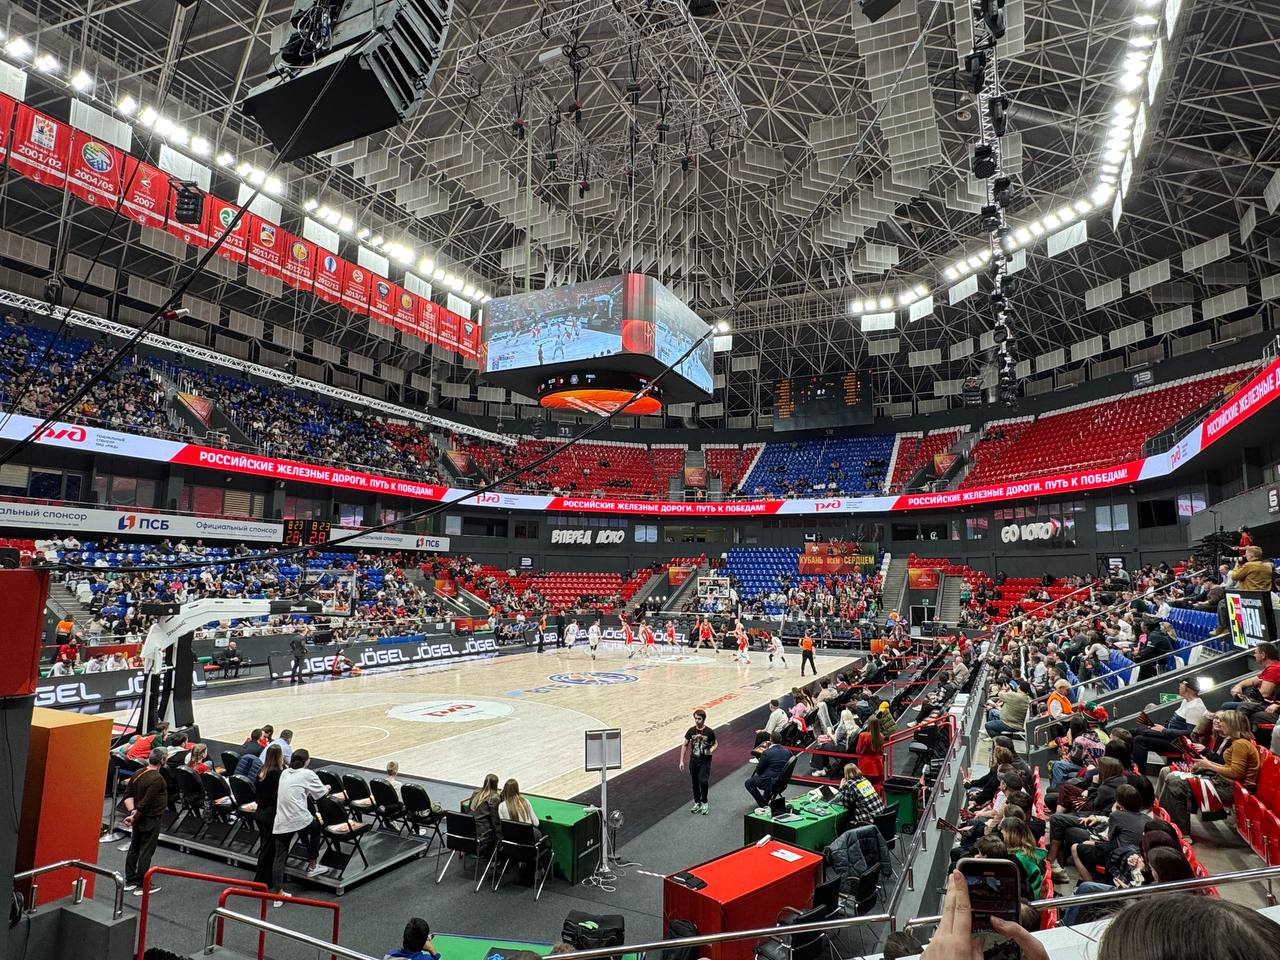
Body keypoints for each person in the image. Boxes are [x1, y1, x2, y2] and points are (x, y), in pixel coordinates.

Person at [1156, 709, 1260, 835]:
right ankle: (1166, 823)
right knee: (1173, 777)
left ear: (1232, 725)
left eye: (1223, 721)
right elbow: (1230, 768)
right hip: (1224, 782)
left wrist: (1209, 765)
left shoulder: (1241, 744)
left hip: (1230, 788)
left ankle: (1179, 832)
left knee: (1175, 782)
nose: (1220, 724)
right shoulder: (1238, 742)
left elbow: (1236, 773)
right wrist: (1206, 765)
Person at [272, 750, 330, 898]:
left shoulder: (284, 773)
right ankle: (313, 865)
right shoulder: (307, 774)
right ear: (306, 761)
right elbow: (320, 794)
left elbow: (297, 791)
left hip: (282, 820)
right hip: (298, 818)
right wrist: (327, 788)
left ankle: (277, 893)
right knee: (316, 829)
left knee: (279, 856)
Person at [1130, 678, 1207, 770]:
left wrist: (1164, 730)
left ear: (1188, 688)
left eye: (1181, 684)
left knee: (1139, 740)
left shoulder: (1195, 707)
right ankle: (1128, 767)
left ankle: (1138, 773)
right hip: (1171, 735)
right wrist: (1164, 728)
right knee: (1134, 732)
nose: (1179, 686)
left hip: (1179, 743)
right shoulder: (1185, 701)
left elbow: (1190, 734)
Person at [122, 748, 168, 894]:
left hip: (138, 818)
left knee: (134, 847)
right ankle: (142, 884)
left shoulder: (138, 773)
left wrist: (132, 812)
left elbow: (127, 795)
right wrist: (134, 815)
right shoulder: (157, 779)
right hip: (150, 818)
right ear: (162, 760)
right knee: (146, 850)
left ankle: (130, 879)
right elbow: (145, 802)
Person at [252, 744, 286, 889]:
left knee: (265, 847)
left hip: (260, 812)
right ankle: (261, 881)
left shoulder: (262, 770)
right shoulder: (277, 773)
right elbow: (278, 795)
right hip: (271, 814)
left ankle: (263, 878)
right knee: (268, 849)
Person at [679, 709, 717, 814]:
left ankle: (704, 802)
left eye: (699, 719)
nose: (697, 721)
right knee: (695, 782)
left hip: (705, 761)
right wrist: (681, 760)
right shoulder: (691, 731)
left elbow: (715, 743)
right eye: (695, 718)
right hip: (694, 760)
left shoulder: (709, 732)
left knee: (703, 781)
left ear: (703, 719)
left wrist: (710, 750)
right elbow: (685, 744)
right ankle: (697, 802)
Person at [745, 733, 790, 810]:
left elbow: (758, 770)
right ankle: (766, 797)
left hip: (771, 781)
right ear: (780, 740)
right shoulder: (788, 752)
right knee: (767, 773)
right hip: (782, 781)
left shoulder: (767, 753)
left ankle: (762, 803)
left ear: (770, 740)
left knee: (748, 783)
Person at [468, 774, 502, 857]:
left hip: (470, 829)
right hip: (483, 832)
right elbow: (495, 820)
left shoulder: (475, 793)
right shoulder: (494, 798)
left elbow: (469, 810)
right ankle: (496, 856)